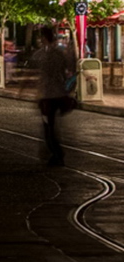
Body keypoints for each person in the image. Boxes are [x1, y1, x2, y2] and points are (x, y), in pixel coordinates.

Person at [31, 26, 75, 166]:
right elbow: (71, 70)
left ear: (44, 38)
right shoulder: (60, 53)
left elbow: (35, 73)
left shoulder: (42, 55)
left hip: (47, 96)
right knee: (52, 125)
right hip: (59, 94)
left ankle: (56, 153)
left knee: (48, 126)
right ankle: (55, 152)